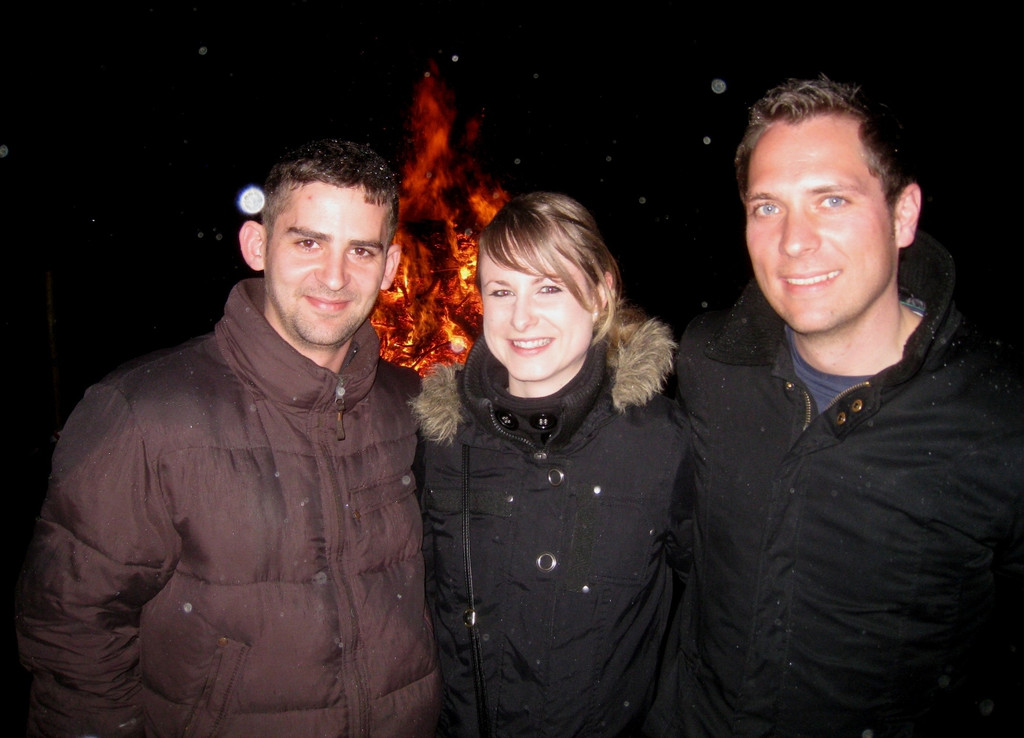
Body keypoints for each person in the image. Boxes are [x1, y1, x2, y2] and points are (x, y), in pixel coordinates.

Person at [15, 139, 442, 737]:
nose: (335, 276)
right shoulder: (146, 414)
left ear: (391, 266)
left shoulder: (412, 406)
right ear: (257, 245)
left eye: (361, 250)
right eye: (309, 242)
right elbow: (73, 635)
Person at [647, 77, 1024, 736]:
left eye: (831, 200)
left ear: (903, 214)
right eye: (768, 206)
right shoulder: (710, 363)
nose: (794, 241)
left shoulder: (999, 421)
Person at [411, 191, 692, 737]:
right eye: (501, 290)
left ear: (601, 294)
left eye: (548, 287)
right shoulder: (441, 443)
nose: (521, 317)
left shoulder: (661, 443)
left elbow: (713, 610)